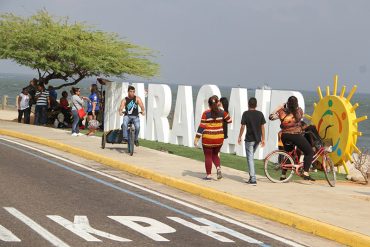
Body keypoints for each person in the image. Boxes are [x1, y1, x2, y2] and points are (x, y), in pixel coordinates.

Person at [269, 96, 315, 181]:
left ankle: (283, 175)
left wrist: (278, 108)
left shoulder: (281, 112)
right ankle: (305, 172)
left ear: (288, 103)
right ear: (296, 104)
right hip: (295, 135)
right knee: (309, 152)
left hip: (284, 136)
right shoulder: (299, 111)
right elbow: (300, 119)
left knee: (288, 154)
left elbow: (271, 117)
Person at [194, 95, 232, 180]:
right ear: (218, 103)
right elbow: (229, 121)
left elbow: (201, 127)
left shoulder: (206, 113)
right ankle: (218, 168)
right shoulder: (222, 112)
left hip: (208, 138)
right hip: (219, 138)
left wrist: (196, 139)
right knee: (215, 155)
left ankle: (209, 175)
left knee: (208, 156)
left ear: (209, 104)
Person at [237, 97, 266, 185]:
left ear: (248, 104)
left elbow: (242, 126)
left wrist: (239, 136)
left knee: (250, 158)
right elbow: (262, 127)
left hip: (249, 139)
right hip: (257, 139)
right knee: (251, 157)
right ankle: (251, 176)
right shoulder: (260, 114)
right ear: (256, 105)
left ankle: (253, 178)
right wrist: (263, 139)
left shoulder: (245, 114)